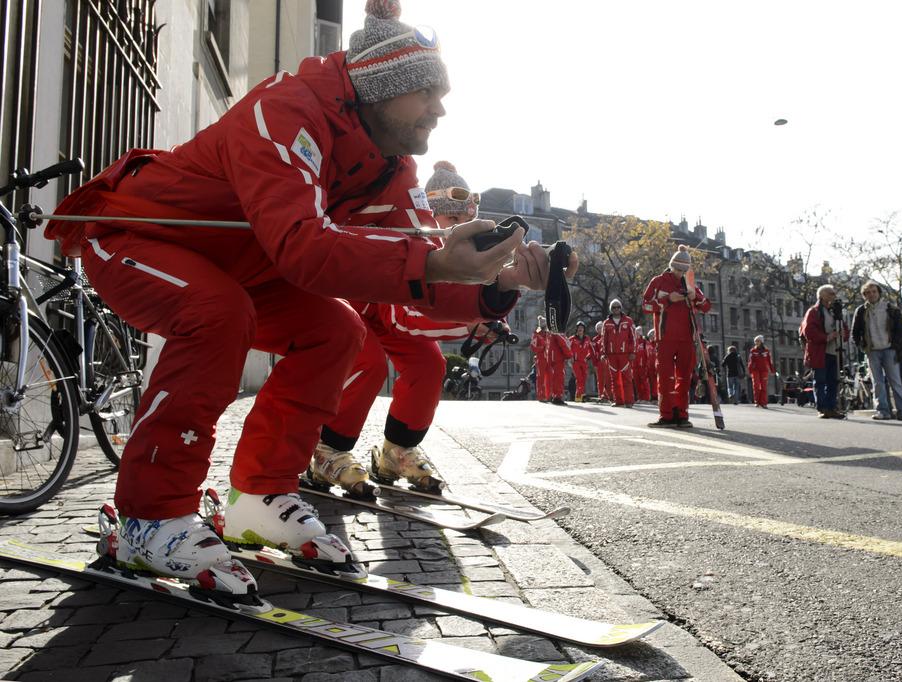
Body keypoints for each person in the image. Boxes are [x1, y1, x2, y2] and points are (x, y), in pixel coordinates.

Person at [42, 0, 562, 588]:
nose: (440, 109)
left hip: (243, 267)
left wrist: (497, 284)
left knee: (338, 330)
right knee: (218, 313)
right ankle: (149, 518)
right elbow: (304, 248)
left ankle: (258, 497)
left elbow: (411, 283)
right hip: (137, 234)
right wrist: (438, 259)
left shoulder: (392, 169)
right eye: (427, 92)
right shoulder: (287, 109)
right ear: (380, 86)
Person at [310, 161, 505, 496]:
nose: (460, 232)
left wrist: (476, 314)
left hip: (381, 303)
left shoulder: (435, 241)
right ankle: (327, 449)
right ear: (433, 212)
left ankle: (396, 451)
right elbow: (407, 315)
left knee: (429, 365)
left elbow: (409, 316)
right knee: (366, 359)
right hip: (346, 293)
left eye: (466, 222)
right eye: (454, 220)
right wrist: (470, 319)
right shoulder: (412, 229)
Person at [642, 247, 711, 428]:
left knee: (684, 378)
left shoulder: (689, 283)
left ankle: (682, 414)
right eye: (678, 269)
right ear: (671, 265)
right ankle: (666, 415)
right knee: (665, 378)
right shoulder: (658, 281)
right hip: (664, 338)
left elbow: (706, 307)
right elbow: (645, 305)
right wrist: (668, 300)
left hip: (687, 338)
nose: (680, 273)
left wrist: (696, 297)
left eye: (684, 270)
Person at [851, 281, 902, 421]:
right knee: (878, 383)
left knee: (896, 381)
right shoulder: (861, 311)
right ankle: (883, 411)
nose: (871, 294)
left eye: (874, 291)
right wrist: (863, 346)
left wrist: (896, 345)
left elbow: (901, 330)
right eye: (868, 292)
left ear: (879, 293)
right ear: (864, 295)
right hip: (872, 351)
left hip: (890, 349)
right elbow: (855, 332)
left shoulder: (891, 309)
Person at [800, 284, 849, 419]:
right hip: (819, 352)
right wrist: (827, 337)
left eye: (834, 293)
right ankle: (822, 408)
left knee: (833, 381)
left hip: (834, 352)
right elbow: (808, 331)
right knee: (820, 381)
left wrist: (843, 335)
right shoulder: (813, 312)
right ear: (822, 296)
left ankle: (831, 407)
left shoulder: (835, 312)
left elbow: (845, 330)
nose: (834, 296)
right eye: (831, 293)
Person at [601, 299, 636, 407]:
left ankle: (629, 401)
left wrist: (632, 351)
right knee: (614, 379)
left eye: (618, 307)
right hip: (611, 355)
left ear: (621, 308)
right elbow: (604, 339)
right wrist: (604, 353)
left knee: (627, 378)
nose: (616, 309)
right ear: (611, 309)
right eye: (614, 307)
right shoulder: (606, 323)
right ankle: (619, 401)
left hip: (625, 354)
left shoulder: (628, 321)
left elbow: (633, 338)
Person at [747, 335, 776, 408]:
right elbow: (750, 361)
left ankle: (763, 403)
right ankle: (757, 402)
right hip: (755, 370)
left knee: (764, 387)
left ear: (761, 342)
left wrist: (772, 370)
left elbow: (770, 361)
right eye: (755, 341)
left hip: (764, 370)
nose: (756, 342)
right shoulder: (753, 350)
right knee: (756, 386)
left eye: (757, 341)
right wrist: (750, 370)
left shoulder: (766, 351)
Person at [568, 321, 593, 402]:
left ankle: (580, 395)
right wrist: (570, 357)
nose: (580, 329)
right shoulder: (572, 339)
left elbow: (591, 350)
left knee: (584, 378)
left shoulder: (587, 339)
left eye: (582, 328)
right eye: (579, 328)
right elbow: (567, 348)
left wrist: (588, 357)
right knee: (579, 378)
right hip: (575, 362)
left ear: (584, 329)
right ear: (576, 329)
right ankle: (579, 396)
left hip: (584, 362)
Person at [546, 331, 573, 405]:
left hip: (554, 356)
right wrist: (569, 355)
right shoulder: (556, 332)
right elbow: (563, 343)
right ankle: (557, 397)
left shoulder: (551, 333)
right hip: (557, 357)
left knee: (555, 377)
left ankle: (554, 396)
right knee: (559, 377)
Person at [531, 316, 552, 402]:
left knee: (550, 377)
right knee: (540, 378)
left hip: (549, 359)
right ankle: (541, 396)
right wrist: (541, 348)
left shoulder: (548, 334)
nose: (545, 327)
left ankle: (549, 395)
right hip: (541, 358)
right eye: (544, 325)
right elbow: (533, 346)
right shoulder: (536, 333)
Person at [593, 321, 612, 402]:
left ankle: (610, 395)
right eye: (598, 328)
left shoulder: (608, 336)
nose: (600, 329)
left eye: (601, 327)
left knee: (609, 379)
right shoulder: (595, 339)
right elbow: (593, 352)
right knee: (600, 379)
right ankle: (601, 395)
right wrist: (595, 362)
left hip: (608, 360)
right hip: (599, 361)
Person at [633, 326, 652, 402]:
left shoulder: (644, 342)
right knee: (637, 382)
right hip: (635, 365)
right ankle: (640, 397)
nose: (637, 333)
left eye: (639, 331)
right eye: (636, 332)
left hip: (643, 365)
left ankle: (646, 398)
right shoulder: (633, 342)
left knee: (644, 381)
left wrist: (647, 363)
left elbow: (647, 353)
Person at [645, 329, 659, 400]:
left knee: (657, 382)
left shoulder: (657, 344)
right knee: (651, 382)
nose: (651, 337)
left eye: (652, 335)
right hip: (650, 366)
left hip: (656, 365)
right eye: (650, 336)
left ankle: (657, 396)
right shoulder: (647, 344)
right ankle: (653, 396)